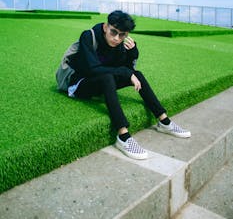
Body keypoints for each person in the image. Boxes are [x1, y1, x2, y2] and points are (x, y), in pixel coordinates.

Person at [57, 10, 191, 160]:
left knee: (137, 75)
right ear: (106, 26)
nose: (116, 38)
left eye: (122, 35)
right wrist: (125, 73)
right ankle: (123, 136)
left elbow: (127, 70)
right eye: (113, 32)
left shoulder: (120, 44)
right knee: (107, 77)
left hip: (101, 81)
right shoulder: (88, 36)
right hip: (78, 83)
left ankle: (164, 121)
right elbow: (93, 69)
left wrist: (133, 53)